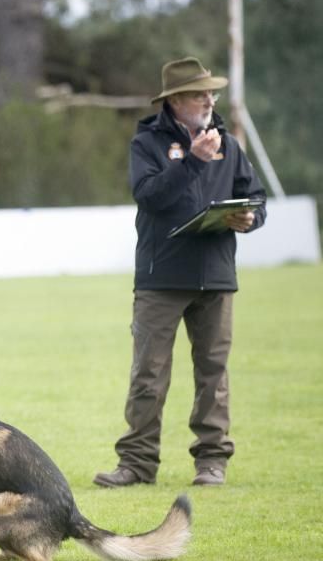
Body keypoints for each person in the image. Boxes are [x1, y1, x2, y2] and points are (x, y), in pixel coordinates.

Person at [93, 56, 267, 489]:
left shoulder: (228, 142)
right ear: (173, 101)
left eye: (212, 93)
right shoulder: (146, 143)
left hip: (216, 277)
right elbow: (149, 196)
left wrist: (249, 218)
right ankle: (137, 464)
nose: (209, 100)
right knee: (148, 375)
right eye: (198, 94)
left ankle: (211, 463)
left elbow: (255, 197)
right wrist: (191, 161)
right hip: (161, 277)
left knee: (213, 374)